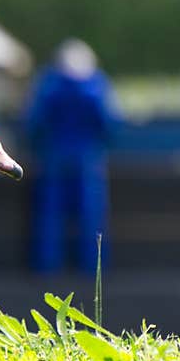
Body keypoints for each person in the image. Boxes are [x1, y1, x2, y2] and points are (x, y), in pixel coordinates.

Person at [23, 39, 122, 276]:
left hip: (53, 155)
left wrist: (36, 144)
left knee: (50, 216)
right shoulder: (96, 83)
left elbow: (33, 121)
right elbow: (111, 122)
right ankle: (93, 269)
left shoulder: (49, 83)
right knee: (91, 217)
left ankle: (47, 269)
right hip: (88, 157)